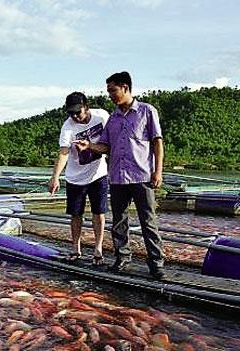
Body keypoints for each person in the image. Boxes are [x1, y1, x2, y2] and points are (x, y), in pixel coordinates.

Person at [76, 71, 165, 279]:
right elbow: (105, 146)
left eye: (113, 90)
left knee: (148, 221)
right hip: (117, 177)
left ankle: (156, 263)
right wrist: (89, 146)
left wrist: (158, 171)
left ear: (125, 87)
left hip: (142, 176)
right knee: (119, 221)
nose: (110, 95)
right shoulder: (113, 118)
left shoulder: (146, 111)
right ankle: (122, 257)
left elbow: (157, 142)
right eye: (108, 91)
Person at [49, 92, 110, 266]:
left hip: (98, 174)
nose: (75, 116)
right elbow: (63, 153)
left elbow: (111, 142)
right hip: (75, 178)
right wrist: (55, 177)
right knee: (76, 214)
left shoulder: (102, 116)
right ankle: (76, 248)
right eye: (71, 113)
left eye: (78, 112)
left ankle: (98, 250)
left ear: (86, 106)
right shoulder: (68, 127)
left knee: (99, 212)